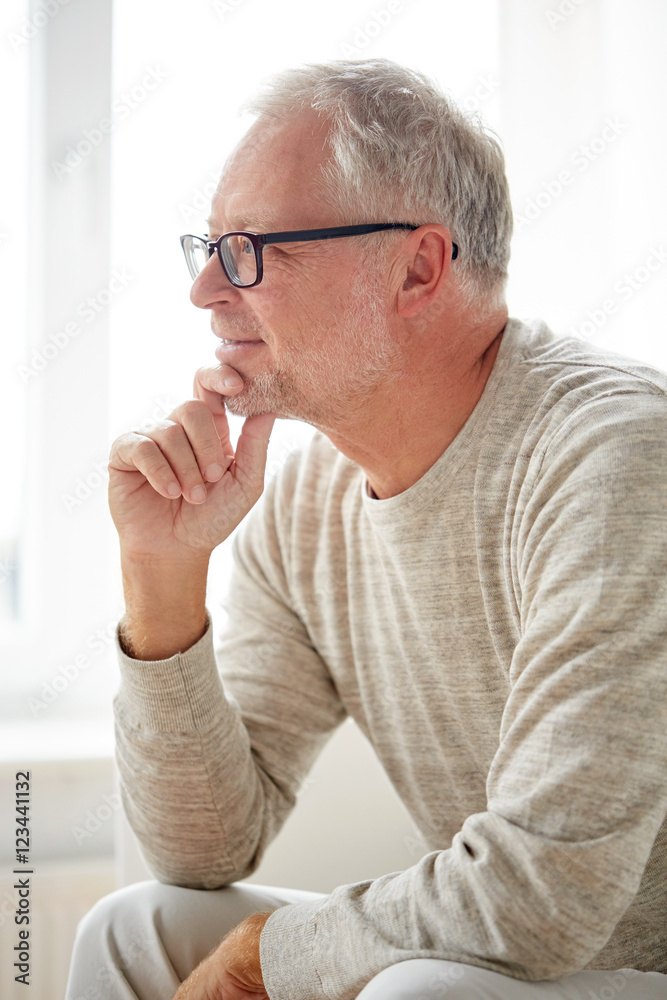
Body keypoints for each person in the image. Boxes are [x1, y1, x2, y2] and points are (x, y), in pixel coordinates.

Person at [65, 58, 667, 1000]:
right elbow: (201, 850)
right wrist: (162, 576)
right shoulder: (305, 504)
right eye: (209, 246)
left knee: (418, 991)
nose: (206, 291)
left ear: (417, 268)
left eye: (253, 248)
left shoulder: (613, 457)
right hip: (536, 963)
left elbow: (544, 894)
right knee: (136, 927)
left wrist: (268, 956)